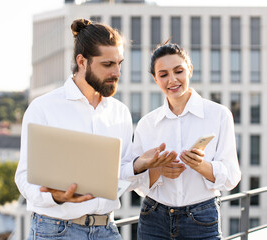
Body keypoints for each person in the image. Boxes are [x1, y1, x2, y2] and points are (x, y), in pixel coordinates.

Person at [15, 19, 175, 240]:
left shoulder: (120, 112)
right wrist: (57, 197)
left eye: (120, 63)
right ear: (82, 61)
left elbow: (115, 178)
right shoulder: (44, 108)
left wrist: (138, 165)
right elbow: (24, 177)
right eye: (108, 65)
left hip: (106, 228)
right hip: (55, 230)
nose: (117, 72)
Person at [132, 43, 242, 240]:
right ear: (155, 79)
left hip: (201, 218)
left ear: (189, 69)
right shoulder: (146, 124)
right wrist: (158, 171)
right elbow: (136, 183)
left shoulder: (218, 115)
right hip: (153, 220)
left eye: (178, 71)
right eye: (163, 74)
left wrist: (201, 166)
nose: (172, 80)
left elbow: (232, 177)